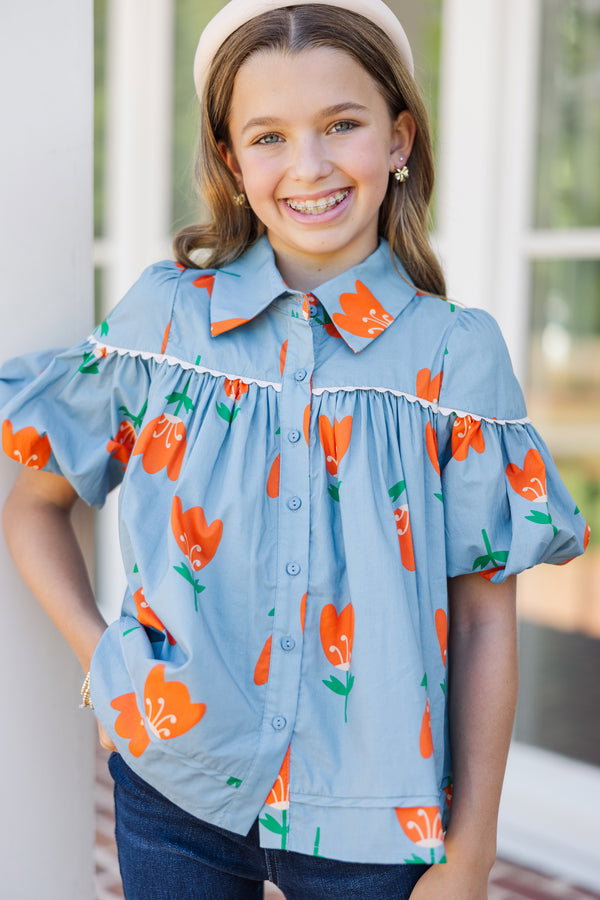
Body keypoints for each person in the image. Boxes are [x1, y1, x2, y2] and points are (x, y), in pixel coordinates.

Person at [0, 1, 590, 898]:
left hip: (380, 819)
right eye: (268, 136)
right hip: (176, 786)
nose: (308, 166)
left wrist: (470, 855)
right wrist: (103, 663)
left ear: (399, 140)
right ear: (233, 163)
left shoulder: (453, 356)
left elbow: (481, 620)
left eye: (341, 125)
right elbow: (35, 501)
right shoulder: (165, 322)